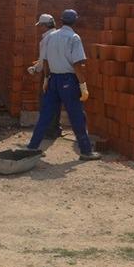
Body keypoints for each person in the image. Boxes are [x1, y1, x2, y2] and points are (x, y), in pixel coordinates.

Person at [27, 9, 101, 161]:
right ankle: (86, 151)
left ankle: (32, 147)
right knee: (76, 116)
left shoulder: (51, 36)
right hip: (68, 81)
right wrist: (83, 85)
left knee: (45, 116)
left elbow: (45, 60)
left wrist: (47, 79)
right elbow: (77, 64)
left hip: (53, 79)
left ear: (61, 20)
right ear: (75, 21)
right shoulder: (74, 38)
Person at [27, 13, 62, 139]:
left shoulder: (47, 39)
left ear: (43, 26)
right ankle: (56, 128)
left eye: (40, 26)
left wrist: (35, 69)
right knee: (56, 102)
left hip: (49, 74)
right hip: (62, 74)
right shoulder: (61, 35)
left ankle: (49, 130)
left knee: (46, 102)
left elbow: (43, 60)